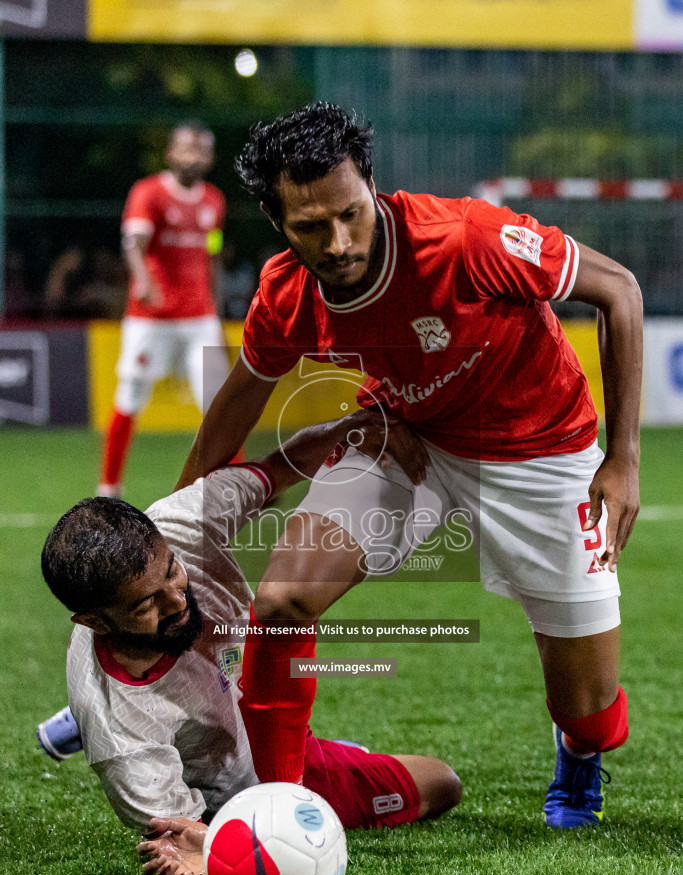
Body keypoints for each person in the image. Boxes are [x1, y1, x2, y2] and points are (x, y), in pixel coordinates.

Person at [175, 102, 643, 830]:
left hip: (541, 453)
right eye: (309, 226)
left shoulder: (464, 238)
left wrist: (622, 459)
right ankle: (274, 804)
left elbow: (617, 290)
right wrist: (175, 536)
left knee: (590, 713)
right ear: (275, 220)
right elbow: (235, 407)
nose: (337, 242)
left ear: (370, 184)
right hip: (407, 439)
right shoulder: (286, 294)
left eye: (350, 214)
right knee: (281, 602)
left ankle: (577, 752)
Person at [41, 409, 461, 875]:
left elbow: (278, 467)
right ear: (94, 622)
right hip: (240, 794)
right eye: (145, 606)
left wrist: (353, 429)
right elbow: (183, 838)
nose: (177, 600)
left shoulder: (181, 521)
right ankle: (83, 721)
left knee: (444, 784)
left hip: (253, 711)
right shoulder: (120, 734)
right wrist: (216, 849)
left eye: (172, 572)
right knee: (435, 787)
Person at [98, 121, 231, 497]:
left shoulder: (214, 201)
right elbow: (133, 244)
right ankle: (109, 488)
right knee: (131, 395)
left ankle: (241, 486)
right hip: (151, 318)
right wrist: (144, 281)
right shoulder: (149, 193)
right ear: (171, 153)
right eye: (187, 148)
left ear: (210, 157)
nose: (194, 156)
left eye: (202, 149)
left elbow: (213, 253)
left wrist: (217, 310)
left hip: (199, 316)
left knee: (220, 402)